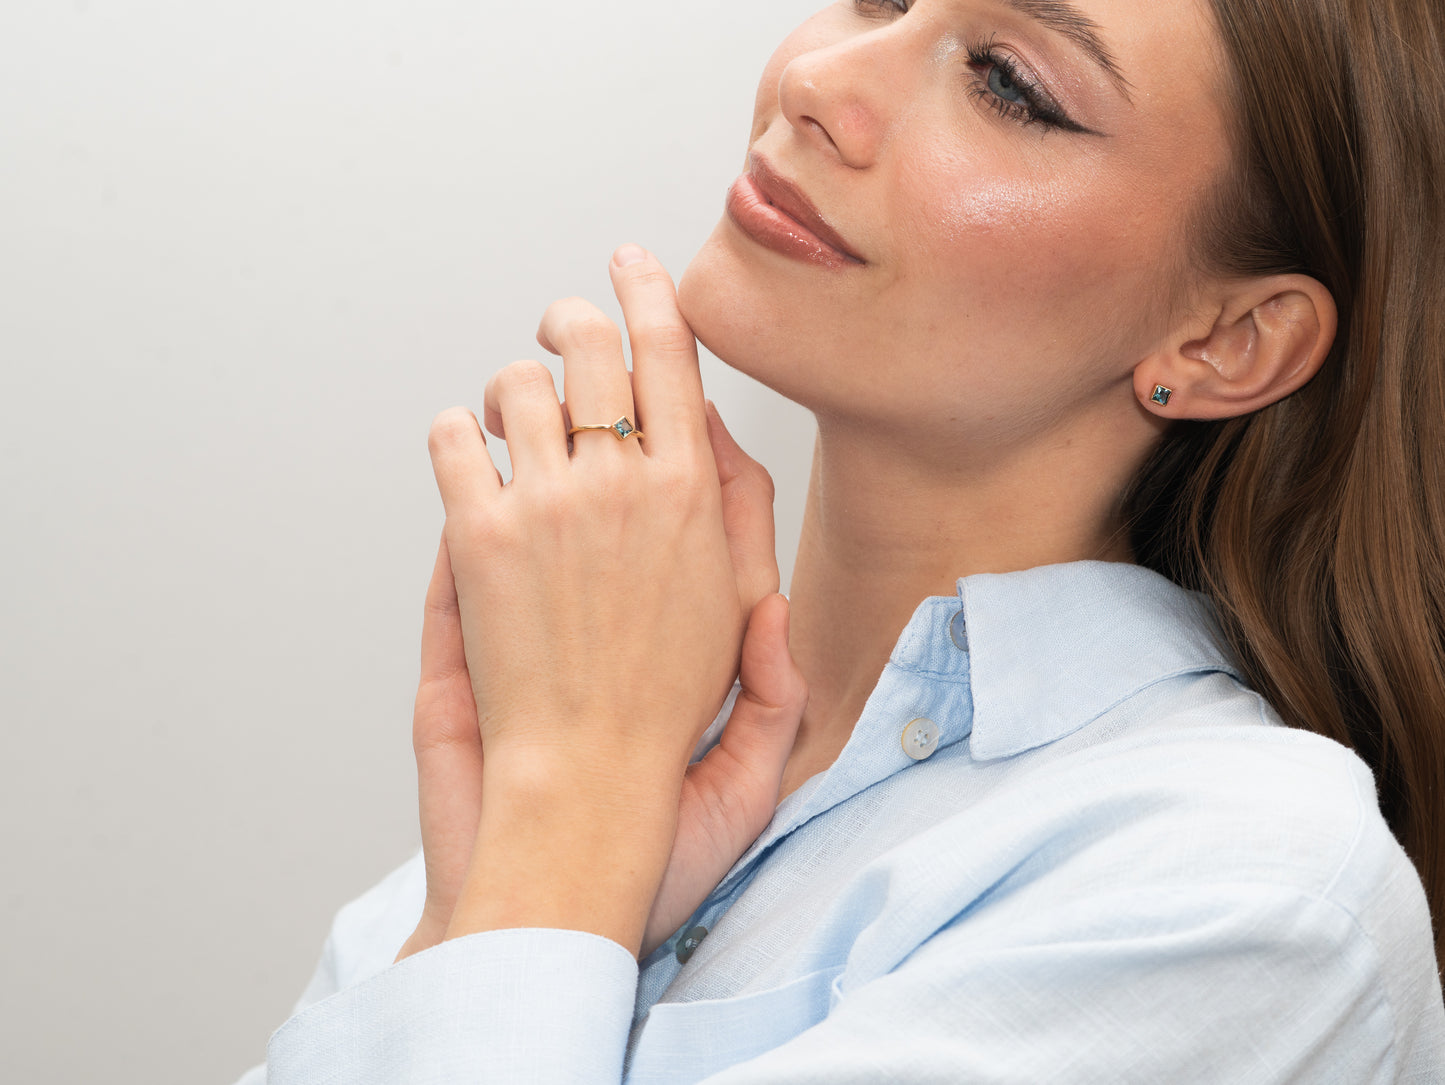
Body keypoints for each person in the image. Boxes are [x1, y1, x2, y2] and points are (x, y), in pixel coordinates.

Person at [237, 0, 1445, 1080]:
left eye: (1006, 83)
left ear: (1227, 340)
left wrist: (558, 830)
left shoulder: (1250, 889)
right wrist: (505, 887)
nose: (818, 79)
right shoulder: (635, 750)